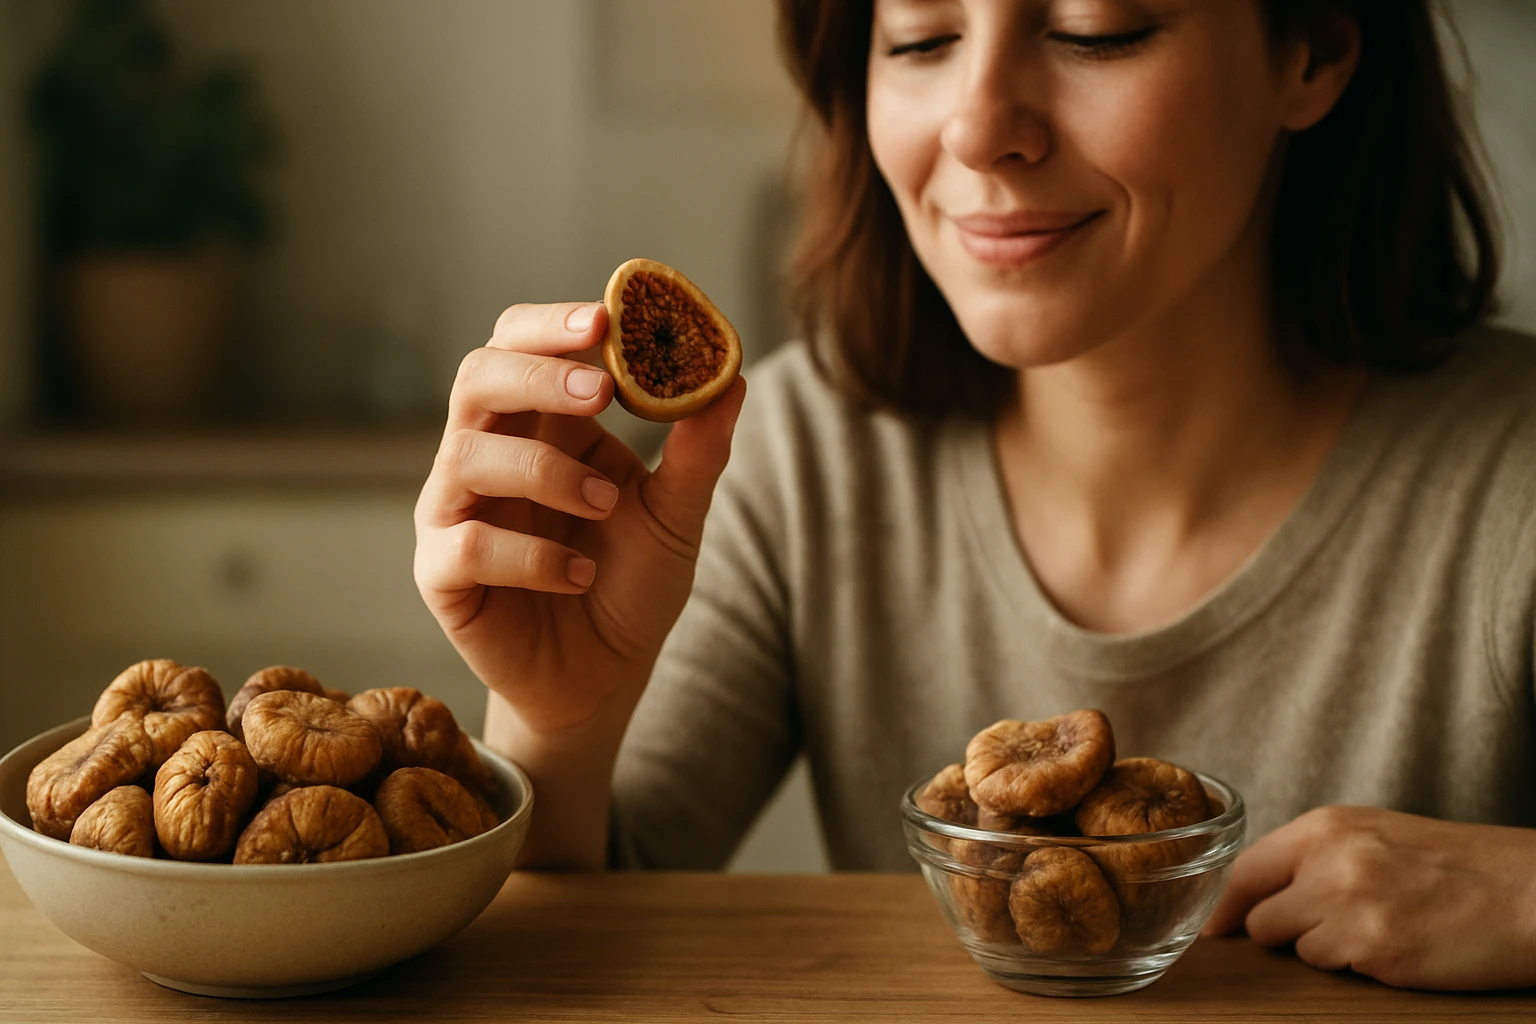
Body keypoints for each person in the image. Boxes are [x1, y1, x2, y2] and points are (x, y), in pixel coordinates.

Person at [412, 0, 1536, 992]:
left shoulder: (1513, 476)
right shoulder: (796, 455)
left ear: (1317, 48)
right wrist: (561, 718)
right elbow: (575, 932)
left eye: (1098, 31)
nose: (975, 124)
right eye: (922, 38)